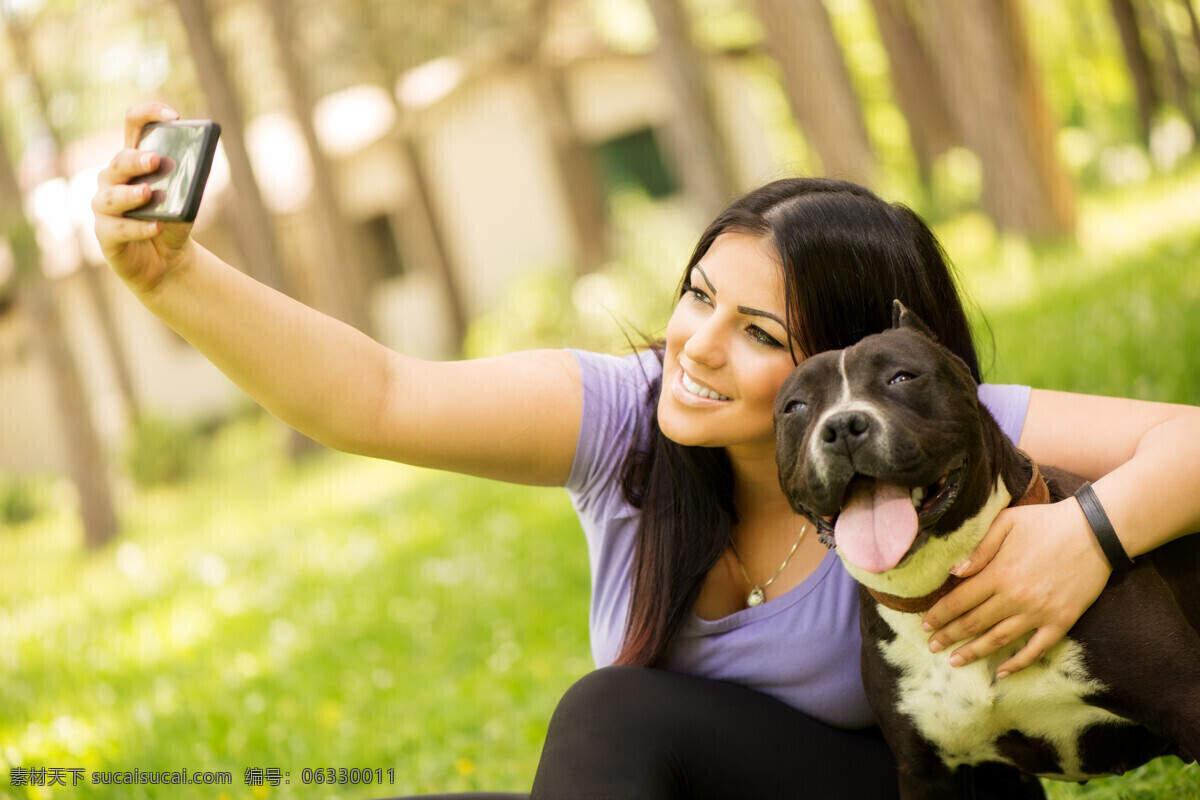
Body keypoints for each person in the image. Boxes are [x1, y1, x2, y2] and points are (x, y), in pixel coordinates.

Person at [93, 104, 1200, 799]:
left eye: (761, 334)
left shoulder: (932, 429)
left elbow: (1186, 440)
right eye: (698, 296)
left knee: (607, 712)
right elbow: (378, 395)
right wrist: (171, 277)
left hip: (912, 781)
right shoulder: (627, 414)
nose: (698, 348)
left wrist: (1089, 535)